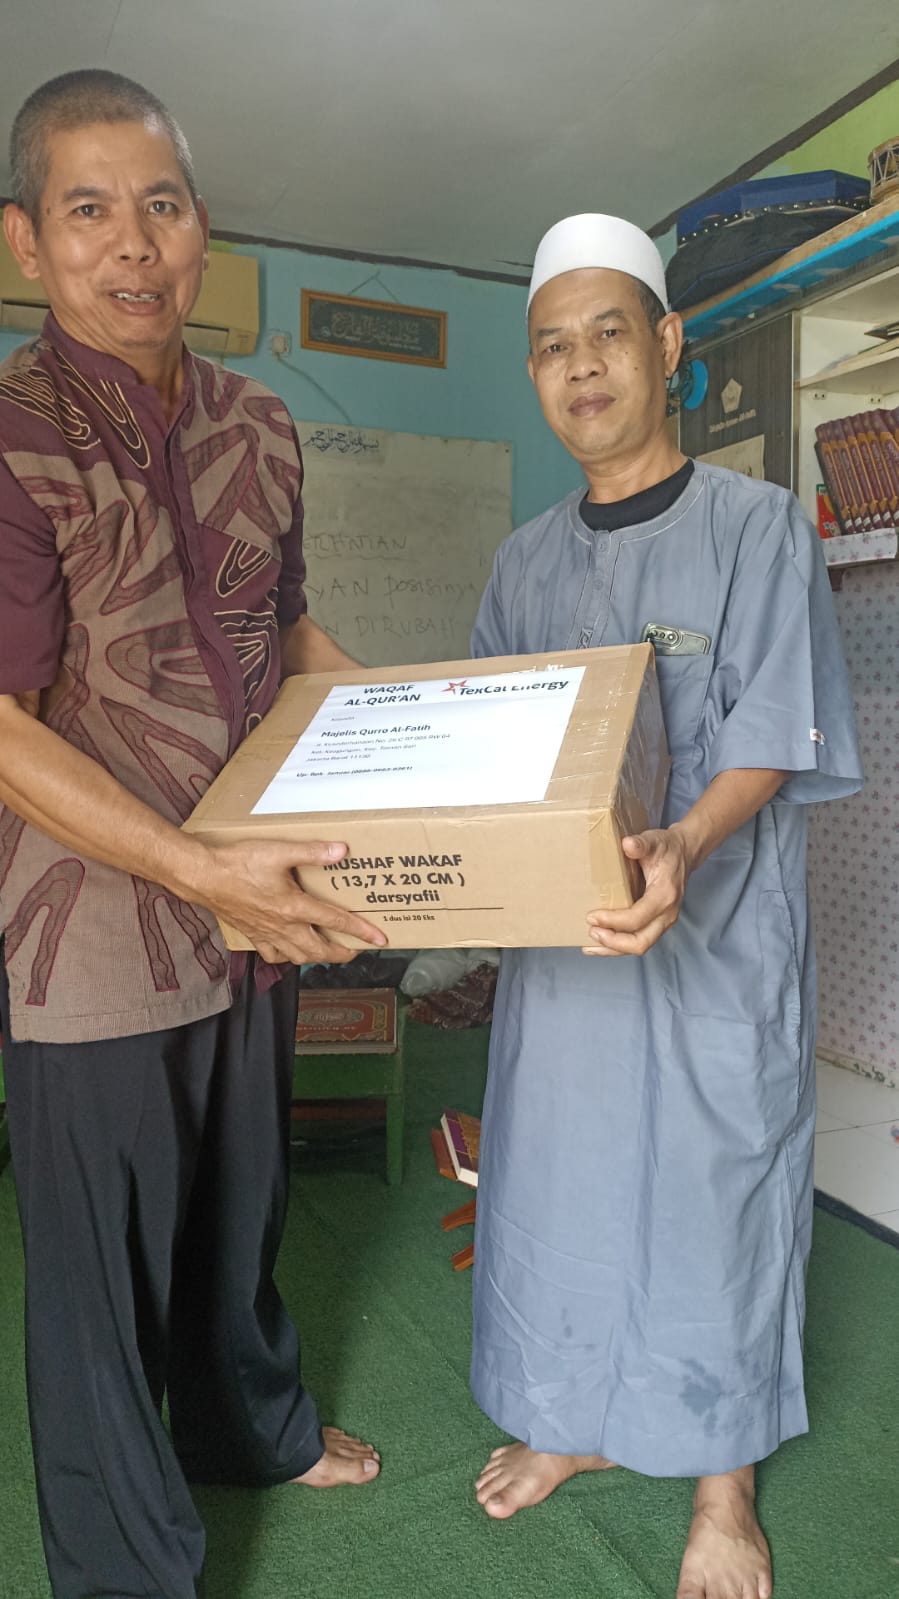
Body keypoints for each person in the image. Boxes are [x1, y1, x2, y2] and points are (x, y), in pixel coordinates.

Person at [0, 69, 383, 1599]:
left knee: (239, 1207)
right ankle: (127, 1570)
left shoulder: (262, 425)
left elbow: (289, 636)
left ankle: (250, 1431)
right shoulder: (13, 433)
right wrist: (193, 869)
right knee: (100, 1280)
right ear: (27, 241)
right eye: (89, 209)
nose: (133, 243)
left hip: (252, 904)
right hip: (87, 925)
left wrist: (445, 742)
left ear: (202, 228)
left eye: (160, 205)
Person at [468, 213, 862, 1599]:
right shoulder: (522, 564)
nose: (583, 368)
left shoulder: (757, 528)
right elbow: (494, 753)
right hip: (568, 958)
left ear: (668, 344)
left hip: (716, 946)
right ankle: (574, 1421)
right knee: (559, 1179)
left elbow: (775, 726)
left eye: (609, 335)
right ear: (536, 373)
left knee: (714, 1192)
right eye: (553, 347)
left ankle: (722, 1486)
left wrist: (685, 841)